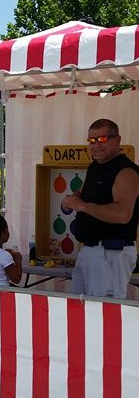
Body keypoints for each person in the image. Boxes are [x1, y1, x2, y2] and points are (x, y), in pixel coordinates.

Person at [63, 118, 139, 299]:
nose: (96, 145)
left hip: (111, 253)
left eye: (102, 139)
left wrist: (81, 205)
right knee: (78, 310)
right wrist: (73, 199)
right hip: (90, 251)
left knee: (102, 315)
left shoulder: (127, 171)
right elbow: (84, 194)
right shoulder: (95, 167)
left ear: (117, 139)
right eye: (91, 140)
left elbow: (122, 214)